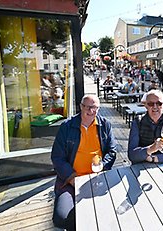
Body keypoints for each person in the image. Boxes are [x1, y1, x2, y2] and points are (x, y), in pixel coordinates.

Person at [51, 94, 117, 230]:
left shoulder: (104, 125)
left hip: (97, 179)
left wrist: (103, 165)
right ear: (81, 107)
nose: (90, 110)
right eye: (87, 106)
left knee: (107, 212)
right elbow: (57, 157)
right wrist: (72, 178)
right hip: (71, 181)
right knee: (61, 218)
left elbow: (112, 151)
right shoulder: (67, 127)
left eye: (94, 107)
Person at [128, 90, 163, 164]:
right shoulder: (138, 122)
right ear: (146, 106)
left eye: (159, 103)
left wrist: (155, 159)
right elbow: (131, 155)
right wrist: (151, 149)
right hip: (141, 167)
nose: (155, 107)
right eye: (151, 104)